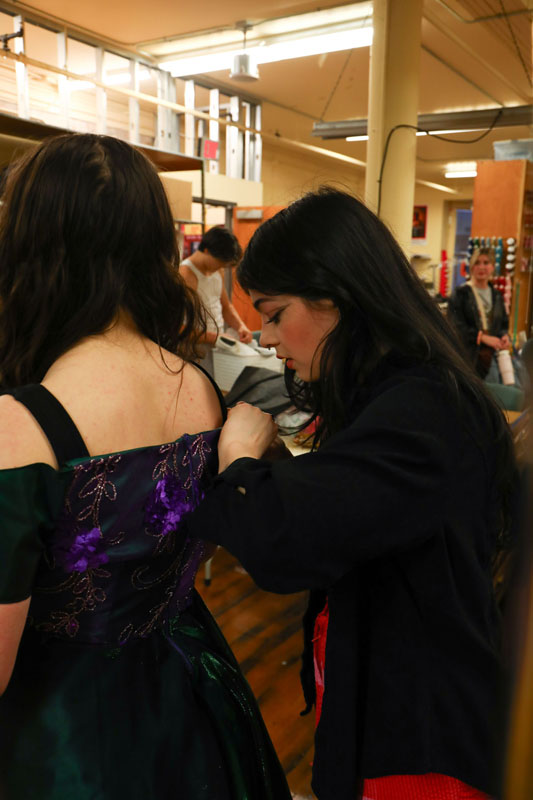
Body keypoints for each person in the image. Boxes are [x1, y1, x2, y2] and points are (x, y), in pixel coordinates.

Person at [186, 188, 516, 800]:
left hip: (419, 741)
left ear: (334, 297)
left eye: (275, 313)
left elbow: (289, 541)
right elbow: (349, 500)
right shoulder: (405, 392)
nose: (267, 337)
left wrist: (238, 460)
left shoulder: (424, 408)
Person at [0, 133, 291, 800]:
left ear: (30, 247)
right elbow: (191, 541)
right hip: (185, 694)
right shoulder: (198, 390)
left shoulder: (21, 425)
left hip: (67, 736)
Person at [179, 227, 253, 375]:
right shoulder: (186, 275)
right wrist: (215, 337)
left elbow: (225, 306)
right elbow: (178, 328)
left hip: (215, 345)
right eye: (220, 262)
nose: (222, 267)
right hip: (194, 350)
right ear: (206, 251)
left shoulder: (217, 271)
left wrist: (240, 326)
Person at [447, 247, 511, 382]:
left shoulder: (496, 295)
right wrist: (481, 337)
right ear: (471, 267)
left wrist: (504, 336)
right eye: (477, 263)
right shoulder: (461, 294)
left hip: (494, 355)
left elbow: (503, 323)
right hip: (470, 357)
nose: (481, 267)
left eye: (486, 263)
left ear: (492, 267)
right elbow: (455, 326)